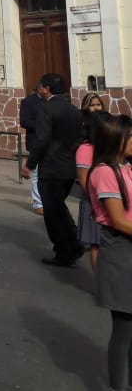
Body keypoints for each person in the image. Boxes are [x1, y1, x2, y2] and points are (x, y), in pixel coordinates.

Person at [85, 112, 132, 391]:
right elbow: (117, 220)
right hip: (120, 252)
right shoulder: (105, 172)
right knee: (124, 331)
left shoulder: (126, 166)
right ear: (116, 139)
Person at [21, 73, 83, 267]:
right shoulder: (73, 110)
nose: (39, 90)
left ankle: (65, 251)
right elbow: (79, 137)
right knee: (59, 208)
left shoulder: (45, 109)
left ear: (46, 88)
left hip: (51, 169)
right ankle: (73, 243)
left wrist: (30, 164)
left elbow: (42, 141)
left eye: (41, 87)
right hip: (69, 167)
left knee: (52, 213)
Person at [76, 92, 105, 269]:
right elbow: (84, 179)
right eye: (93, 105)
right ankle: (100, 283)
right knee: (96, 244)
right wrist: (96, 203)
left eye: (99, 104)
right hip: (94, 202)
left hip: (108, 202)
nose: (96, 108)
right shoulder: (85, 147)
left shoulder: (108, 145)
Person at [19, 80, 47, 215]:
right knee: (35, 174)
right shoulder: (28, 102)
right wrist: (41, 125)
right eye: (45, 87)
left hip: (51, 143)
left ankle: (50, 201)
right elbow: (24, 121)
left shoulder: (52, 100)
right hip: (35, 142)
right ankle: (38, 203)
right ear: (40, 88)